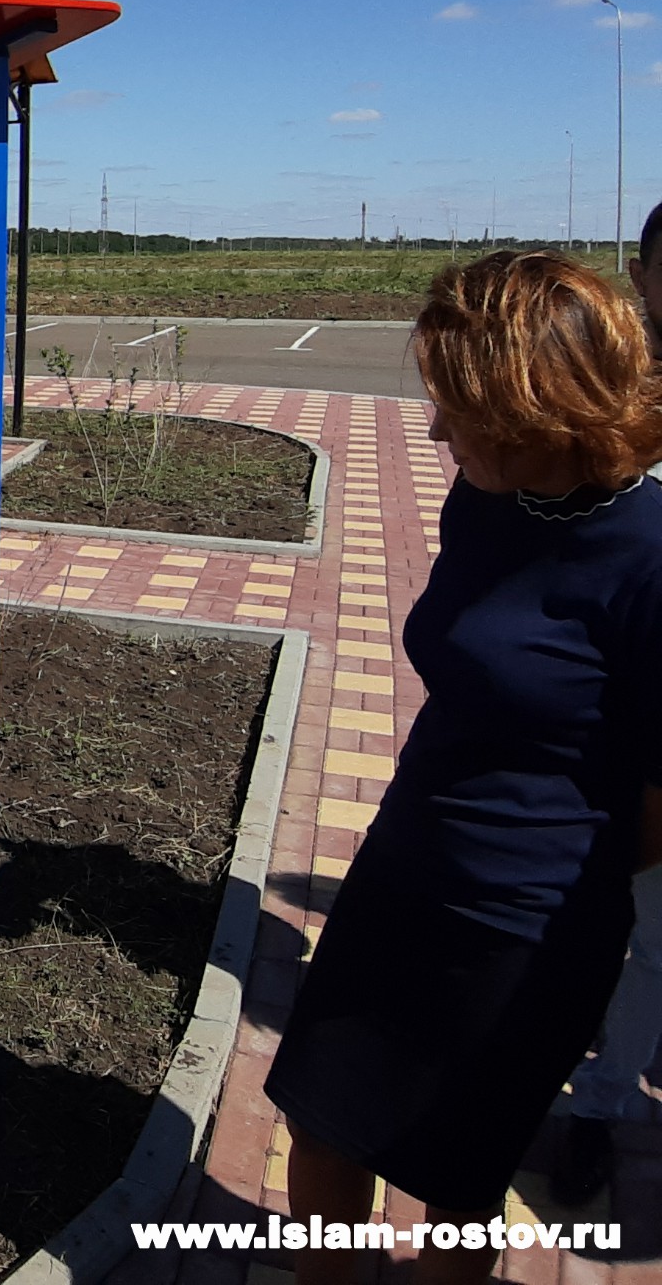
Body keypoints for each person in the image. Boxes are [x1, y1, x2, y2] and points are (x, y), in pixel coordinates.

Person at [266, 248, 662, 1282]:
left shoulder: (650, 560)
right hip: (403, 870)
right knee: (321, 1121)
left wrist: (540, 866)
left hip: (528, 932)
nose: (437, 432)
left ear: (540, 410)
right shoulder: (489, 503)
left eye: (460, 409)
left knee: (456, 1176)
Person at [549, 205, 662, 1203]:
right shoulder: (613, 389)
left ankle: (610, 1086)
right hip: (617, 704)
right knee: (636, 920)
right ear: (642, 273)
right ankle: (600, 1101)